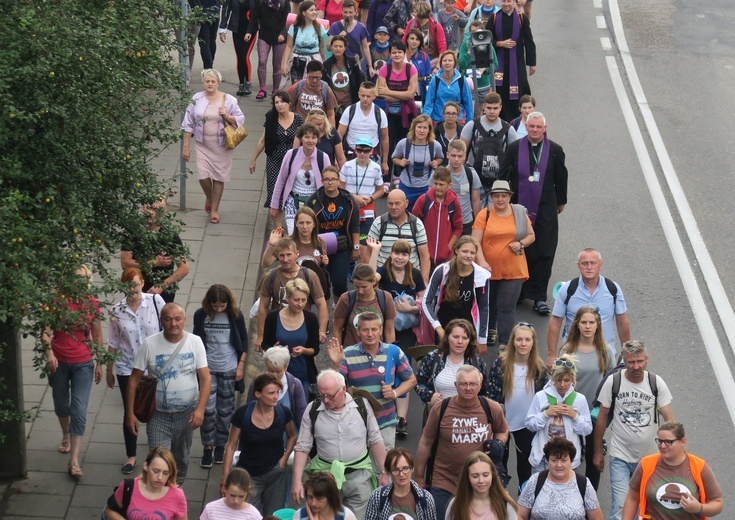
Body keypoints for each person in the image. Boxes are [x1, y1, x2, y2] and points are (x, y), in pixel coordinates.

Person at [126, 303, 212, 484]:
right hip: (158, 417)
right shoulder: (149, 345)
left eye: (177, 319)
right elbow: (134, 380)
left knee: (181, 460)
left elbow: (205, 379)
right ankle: (158, 496)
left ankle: (175, 495)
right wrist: (130, 414)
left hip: (186, 415)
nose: (173, 323)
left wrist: (200, 410)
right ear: (161, 321)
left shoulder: (195, 342)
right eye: (168, 319)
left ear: (184, 320)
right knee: (158, 463)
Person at [414, 365, 509, 520]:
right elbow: (426, 442)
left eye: (473, 384)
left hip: (479, 483)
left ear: (480, 385)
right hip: (444, 481)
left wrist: (497, 442)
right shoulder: (441, 408)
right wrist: (419, 476)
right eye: (463, 384)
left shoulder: (491, 408)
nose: (468, 388)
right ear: (456, 385)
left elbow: (503, 430)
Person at [593, 340, 675, 520]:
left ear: (647, 359)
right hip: (620, 456)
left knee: (649, 508)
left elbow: (669, 420)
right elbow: (601, 419)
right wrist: (597, 451)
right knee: (620, 508)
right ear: (623, 359)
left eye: (640, 361)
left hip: (650, 459)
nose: (636, 366)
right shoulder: (613, 382)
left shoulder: (656, 382)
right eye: (631, 362)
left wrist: (672, 454)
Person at [292, 370, 390, 519]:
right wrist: (297, 481)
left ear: (343, 389)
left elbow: (375, 438)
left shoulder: (361, 406)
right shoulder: (313, 409)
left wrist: (384, 472)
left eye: (330, 395)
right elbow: (302, 446)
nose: (325, 400)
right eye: (321, 395)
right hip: (325, 477)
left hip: (359, 475)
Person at [499, 111, 568, 317]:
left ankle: (539, 296)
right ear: (526, 127)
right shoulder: (514, 149)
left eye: (539, 127)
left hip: (546, 207)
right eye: (532, 126)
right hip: (519, 207)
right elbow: (503, 176)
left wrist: (561, 201)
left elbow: (561, 178)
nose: (535, 130)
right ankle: (519, 292)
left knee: (545, 251)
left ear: (544, 128)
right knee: (519, 249)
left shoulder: (555, 150)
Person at [44, 265, 103, 478]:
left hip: (83, 363)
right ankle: (65, 435)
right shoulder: (57, 303)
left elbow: (97, 337)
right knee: (61, 404)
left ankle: (74, 460)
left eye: (82, 278)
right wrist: (49, 353)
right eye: (74, 278)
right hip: (59, 362)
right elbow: (45, 333)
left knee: (78, 408)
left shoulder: (92, 303)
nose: (78, 282)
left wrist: (100, 363)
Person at [329, 311, 416, 450]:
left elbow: (411, 380)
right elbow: (334, 385)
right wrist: (335, 364)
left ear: (381, 330)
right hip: (356, 423)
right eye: (365, 330)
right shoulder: (347, 354)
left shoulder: (393, 352)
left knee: (383, 469)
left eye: (374, 329)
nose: (370, 334)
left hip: (385, 423)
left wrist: (394, 393)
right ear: (358, 331)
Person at [107, 267, 166, 474]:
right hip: (128, 367)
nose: (132, 288)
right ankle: (131, 455)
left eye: (135, 283)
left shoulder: (156, 302)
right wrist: (108, 368)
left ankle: (157, 453)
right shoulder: (117, 310)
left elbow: (168, 328)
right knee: (130, 410)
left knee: (156, 408)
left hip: (154, 366)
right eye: (128, 285)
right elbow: (113, 341)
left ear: (142, 282)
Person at [368, 238, 426, 434]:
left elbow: (424, 301)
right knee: (382, 370)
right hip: (384, 330)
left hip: (408, 332)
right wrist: (374, 251)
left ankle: (401, 418)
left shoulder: (415, 274)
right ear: (391, 254)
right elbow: (370, 280)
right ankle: (382, 412)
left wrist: (411, 309)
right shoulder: (384, 271)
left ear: (409, 257)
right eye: (396, 253)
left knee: (404, 371)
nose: (400, 258)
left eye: (404, 254)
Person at [222, 373, 297, 516]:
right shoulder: (243, 413)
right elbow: (231, 446)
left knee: (274, 516)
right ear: (258, 394)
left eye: (277, 392)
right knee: (248, 515)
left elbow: (292, 436)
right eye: (271, 393)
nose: (276, 396)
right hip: (249, 474)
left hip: (275, 473)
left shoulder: (282, 412)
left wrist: (284, 460)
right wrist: (225, 477)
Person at [472, 180, 534, 351]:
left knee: (506, 307)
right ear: (491, 197)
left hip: (513, 270)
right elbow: (475, 241)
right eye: (497, 196)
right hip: (487, 270)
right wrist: (482, 262)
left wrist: (521, 244)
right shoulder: (484, 214)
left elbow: (531, 235)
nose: (500, 199)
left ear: (509, 197)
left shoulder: (519, 213)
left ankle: (504, 344)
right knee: (488, 304)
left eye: (504, 196)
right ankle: (490, 330)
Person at [558, 306, 615, 489]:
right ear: (577, 324)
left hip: (594, 415)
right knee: (566, 458)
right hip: (570, 411)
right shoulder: (568, 350)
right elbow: (558, 380)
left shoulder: (606, 350)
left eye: (592, 322)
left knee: (593, 458)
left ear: (598, 325)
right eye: (584, 322)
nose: (588, 326)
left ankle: (589, 499)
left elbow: (612, 378)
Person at [193, 284, 249, 468]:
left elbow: (243, 340)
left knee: (225, 412)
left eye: (222, 306)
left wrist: (240, 367)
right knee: (207, 410)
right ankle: (207, 447)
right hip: (207, 369)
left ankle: (220, 446)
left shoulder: (235, 315)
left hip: (229, 369)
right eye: (215, 306)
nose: (218, 309)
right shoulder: (201, 315)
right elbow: (196, 340)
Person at [486, 323, 547, 491]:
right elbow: (490, 394)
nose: (523, 343)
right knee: (498, 465)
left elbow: (544, 399)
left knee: (525, 468)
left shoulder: (539, 369)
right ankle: (500, 504)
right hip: (502, 424)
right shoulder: (501, 364)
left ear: (533, 343)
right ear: (513, 341)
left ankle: (524, 507)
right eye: (519, 339)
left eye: (527, 340)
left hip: (527, 425)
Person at [621, 421, 723, 520]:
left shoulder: (699, 466)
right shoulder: (646, 464)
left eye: (668, 442)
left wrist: (699, 508)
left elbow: (717, 503)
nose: (663, 446)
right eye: (660, 441)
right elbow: (632, 498)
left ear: (683, 442)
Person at [181, 69, 245, 225]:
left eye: (213, 81)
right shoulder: (196, 98)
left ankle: (214, 209)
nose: (210, 84)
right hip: (202, 144)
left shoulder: (228, 100)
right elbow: (187, 124)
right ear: (203, 83)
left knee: (218, 177)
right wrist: (186, 147)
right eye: (207, 81)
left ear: (218, 83)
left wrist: (226, 116)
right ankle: (209, 196)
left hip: (222, 146)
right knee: (203, 177)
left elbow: (240, 119)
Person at [549, 248, 630, 366]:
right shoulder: (567, 289)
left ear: (600, 265)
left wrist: (627, 353)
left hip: (605, 356)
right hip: (572, 357)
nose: (589, 267)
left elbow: (622, 321)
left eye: (593, 263)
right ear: (578, 265)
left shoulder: (613, 289)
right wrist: (551, 355)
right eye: (584, 263)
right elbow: (555, 322)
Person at [255, 237, 329, 351]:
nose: (285, 259)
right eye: (282, 255)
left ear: (296, 254)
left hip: (303, 330)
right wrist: (261, 335)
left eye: (289, 255)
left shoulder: (310, 275)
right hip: (278, 330)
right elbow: (263, 306)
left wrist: (322, 330)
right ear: (277, 256)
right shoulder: (271, 276)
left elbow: (321, 304)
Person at [422, 236, 491, 354]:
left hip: (468, 331)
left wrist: (482, 339)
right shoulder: (442, 271)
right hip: (444, 327)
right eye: (465, 251)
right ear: (456, 250)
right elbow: (426, 301)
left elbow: (484, 308)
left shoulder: (482, 276)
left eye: (472, 253)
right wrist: (438, 328)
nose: (468, 255)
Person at [525, 354, 592, 473]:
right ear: (552, 379)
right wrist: (545, 414)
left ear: (572, 379)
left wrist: (575, 416)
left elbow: (587, 430)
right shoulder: (540, 397)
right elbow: (529, 424)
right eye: (558, 380)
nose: (562, 385)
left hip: (569, 461)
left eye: (566, 380)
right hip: (543, 460)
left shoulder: (579, 399)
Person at [305, 166, 361, 301]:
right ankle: (324, 312)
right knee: (322, 282)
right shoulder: (314, 200)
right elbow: (305, 220)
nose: (330, 182)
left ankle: (338, 310)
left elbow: (355, 224)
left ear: (339, 181)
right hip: (320, 247)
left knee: (340, 283)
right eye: (327, 179)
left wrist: (356, 247)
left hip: (342, 247)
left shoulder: (348, 200)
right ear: (322, 181)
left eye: (333, 179)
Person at [121, 199, 190, 304]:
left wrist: (162, 286)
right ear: (143, 209)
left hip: (162, 294)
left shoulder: (170, 235)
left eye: (156, 210)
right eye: (148, 208)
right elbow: (125, 263)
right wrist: (154, 263)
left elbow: (184, 268)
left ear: (164, 213)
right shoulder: (133, 233)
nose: (151, 212)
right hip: (135, 290)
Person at [517, 438, 603, 520]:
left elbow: (596, 517)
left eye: (564, 460)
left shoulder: (584, 484)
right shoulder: (535, 481)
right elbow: (520, 515)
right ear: (548, 460)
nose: (559, 465)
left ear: (571, 461)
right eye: (554, 460)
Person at [262, 278, 321, 399]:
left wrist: (303, 350)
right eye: (296, 300)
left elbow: (315, 349)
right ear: (287, 298)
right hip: (277, 376)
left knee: (301, 411)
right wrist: (273, 350)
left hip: (303, 375)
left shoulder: (311, 319)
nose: (300, 304)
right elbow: (265, 344)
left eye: (304, 300)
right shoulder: (273, 317)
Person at [415, 319, 489, 411]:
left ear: (470, 341)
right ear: (447, 337)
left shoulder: (477, 361)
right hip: (440, 413)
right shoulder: (432, 358)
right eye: (455, 337)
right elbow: (417, 382)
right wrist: (430, 395)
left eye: (465, 338)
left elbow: (486, 389)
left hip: (470, 414)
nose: (460, 341)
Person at [270, 124, 331, 234]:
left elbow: (329, 183)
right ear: (301, 138)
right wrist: (274, 206)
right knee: (293, 234)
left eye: (313, 137)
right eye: (307, 137)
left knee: (310, 235)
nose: (310, 140)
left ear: (317, 139)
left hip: (314, 202)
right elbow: (280, 181)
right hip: (293, 201)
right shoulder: (291, 155)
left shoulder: (323, 157)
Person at [460, 92, 518, 206]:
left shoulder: (508, 130)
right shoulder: (472, 126)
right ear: (484, 107)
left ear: (500, 108)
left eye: (495, 108)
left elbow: (515, 157)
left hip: (499, 181)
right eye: (489, 108)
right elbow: (461, 151)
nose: (492, 111)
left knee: (495, 216)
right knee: (477, 216)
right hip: (475, 179)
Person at [251, 91, 304, 210]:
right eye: (277, 102)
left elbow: (303, 140)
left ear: (289, 103)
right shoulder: (271, 118)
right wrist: (253, 160)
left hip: (292, 160)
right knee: (274, 190)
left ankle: (293, 219)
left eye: (282, 102)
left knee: (292, 189)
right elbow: (262, 141)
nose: (280, 105)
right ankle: (277, 225)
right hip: (274, 160)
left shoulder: (298, 119)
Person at [104, 447, 187, 520]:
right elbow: (110, 510)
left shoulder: (177, 495)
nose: (160, 477)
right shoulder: (129, 487)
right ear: (146, 466)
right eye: (156, 471)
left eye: (165, 473)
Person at [368, 189, 432, 284]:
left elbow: (424, 256)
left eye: (397, 203)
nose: (393, 207)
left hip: (410, 279)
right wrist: (368, 281)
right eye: (390, 204)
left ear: (406, 203)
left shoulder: (417, 224)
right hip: (383, 279)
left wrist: (424, 282)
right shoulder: (378, 223)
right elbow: (368, 254)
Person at [487, 0, 536, 123]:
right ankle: (501, 122)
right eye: (503, 1)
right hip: (500, 65)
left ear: (514, 2)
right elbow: (486, 41)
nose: (506, 4)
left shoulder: (521, 18)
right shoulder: (494, 18)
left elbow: (528, 41)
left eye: (509, 1)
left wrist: (532, 63)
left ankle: (519, 121)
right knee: (501, 93)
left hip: (517, 64)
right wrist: (499, 43)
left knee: (520, 92)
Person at [339, 136, 386, 262]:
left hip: (367, 210)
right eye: (359, 150)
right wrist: (354, 197)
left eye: (366, 150)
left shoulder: (376, 167)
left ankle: (361, 275)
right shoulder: (347, 166)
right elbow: (340, 188)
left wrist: (370, 198)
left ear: (371, 151)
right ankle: (349, 267)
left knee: (364, 245)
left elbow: (381, 190)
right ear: (355, 150)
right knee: (349, 241)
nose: (362, 153)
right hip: (349, 207)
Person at [411, 167, 464, 268]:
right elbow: (413, 224)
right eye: (435, 183)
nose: (438, 187)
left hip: (446, 259)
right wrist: (420, 246)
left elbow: (458, 228)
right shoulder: (423, 200)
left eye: (441, 184)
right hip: (424, 257)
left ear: (450, 185)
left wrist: (448, 247)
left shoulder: (454, 202)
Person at [365, 447, 438, 520]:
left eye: (405, 468)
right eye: (396, 470)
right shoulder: (377, 497)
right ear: (389, 472)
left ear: (412, 468)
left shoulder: (426, 499)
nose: (401, 474)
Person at [333, 266, 397, 347]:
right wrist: (338, 353)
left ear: (374, 281)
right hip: (351, 354)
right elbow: (337, 329)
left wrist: (390, 354)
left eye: (364, 287)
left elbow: (389, 330)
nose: (360, 291)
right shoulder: (346, 299)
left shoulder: (385, 298)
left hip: (378, 353)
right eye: (357, 286)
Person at [246, 346, 308, 429]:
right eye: (270, 370)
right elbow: (249, 411)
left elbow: (301, 415)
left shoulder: (295, 385)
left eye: (278, 371)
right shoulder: (256, 384)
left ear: (286, 367)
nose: (274, 375)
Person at [445, 451, 519, 520]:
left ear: (492, 475)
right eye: (475, 476)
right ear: (467, 477)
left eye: (485, 475)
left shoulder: (505, 505)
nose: (481, 480)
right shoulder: (456, 504)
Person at [392, 114, 444, 210]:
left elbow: (440, 158)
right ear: (414, 128)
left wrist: (436, 162)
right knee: (404, 213)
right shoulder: (404, 143)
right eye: (419, 127)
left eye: (425, 128)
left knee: (425, 214)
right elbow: (394, 158)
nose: (421, 130)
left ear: (429, 130)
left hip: (426, 186)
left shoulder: (435, 145)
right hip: (407, 186)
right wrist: (400, 162)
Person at [377, 41, 419, 157]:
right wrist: (403, 95)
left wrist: (388, 92)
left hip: (407, 113)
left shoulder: (411, 69)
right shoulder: (384, 69)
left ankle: (402, 173)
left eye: (399, 52)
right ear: (390, 55)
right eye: (394, 52)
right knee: (388, 146)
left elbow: (411, 95)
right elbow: (381, 95)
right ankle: (387, 171)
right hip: (388, 114)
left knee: (405, 146)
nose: (397, 55)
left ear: (404, 54)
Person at [337, 82, 389, 172]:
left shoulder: (380, 113)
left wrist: (385, 162)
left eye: (368, 96)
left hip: (372, 157)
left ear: (374, 96)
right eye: (363, 95)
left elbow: (385, 138)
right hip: (351, 155)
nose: (365, 99)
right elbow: (339, 136)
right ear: (358, 95)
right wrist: (337, 158)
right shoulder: (349, 111)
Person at [261, 207, 329, 270]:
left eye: (308, 223)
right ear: (296, 223)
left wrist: (325, 262)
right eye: (301, 223)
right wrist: (271, 245)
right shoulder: (287, 242)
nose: (305, 226)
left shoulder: (320, 242)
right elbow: (265, 264)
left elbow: (321, 266)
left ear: (314, 224)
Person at [248, 0, 290, 100]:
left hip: (280, 38)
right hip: (264, 36)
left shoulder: (284, 3)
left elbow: (288, 21)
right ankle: (262, 89)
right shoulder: (261, 2)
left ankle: (276, 90)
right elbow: (254, 18)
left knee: (276, 65)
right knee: (262, 61)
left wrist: (283, 34)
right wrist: (249, 32)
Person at [282, 1, 328, 84]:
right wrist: (285, 64)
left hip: (314, 63)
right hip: (297, 62)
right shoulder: (294, 27)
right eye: (311, 10)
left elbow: (322, 48)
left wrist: (327, 63)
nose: (314, 12)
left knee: (313, 88)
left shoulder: (319, 28)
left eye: (315, 10)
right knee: (297, 88)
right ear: (303, 13)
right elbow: (289, 46)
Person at [423, 51, 474, 124]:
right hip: (438, 120)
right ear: (441, 63)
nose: (447, 63)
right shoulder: (435, 80)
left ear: (454, 63)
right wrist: (426, 122)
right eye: (444, 60)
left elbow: (468, 103)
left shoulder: (462, 80)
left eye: (450, 60)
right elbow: (429, 103)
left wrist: (469, 122)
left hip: (457, 121)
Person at [322, 35, 365, 120]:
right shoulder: (326, 64)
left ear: (345, 48)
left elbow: (359, 81)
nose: (338, 49)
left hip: (350, 103)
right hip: (333, 106)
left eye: (340, 46)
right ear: (331, 47)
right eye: (335, 46)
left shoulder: (352, 62)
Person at [443, 140, 481, 236]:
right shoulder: (440, 174)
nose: (456, 159)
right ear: (447, 155)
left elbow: (476, 201)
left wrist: (478, 225)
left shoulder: (471, 173)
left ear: (464, 156)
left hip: (466, 222)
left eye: (459, 156)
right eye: (453, 156)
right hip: (446, 222)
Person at [220, 0, 256, 96]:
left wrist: (250, 31)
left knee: (245, 56)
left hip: (250, 30)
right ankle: (241, 83)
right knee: (239, 57)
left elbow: (256, 14)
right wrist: (222, 29)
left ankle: (248, 82)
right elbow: (226, 10)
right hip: (237, 29)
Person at [458, 20, 498, 103]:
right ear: (469, 32)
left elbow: (495, 65)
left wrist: (485, 69)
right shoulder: (465, 45)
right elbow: (461, 64)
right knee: (470, 109)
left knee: (480, 109)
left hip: (483, 84)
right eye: (473, 32)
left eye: (477, 32)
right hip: (469, 83)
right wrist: (468, 54)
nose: (475, 34)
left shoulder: (488, 45)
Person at [288, 61, 339, 126]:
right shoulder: (298, 86)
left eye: (317, 78)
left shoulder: (326, 89)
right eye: (312, 77)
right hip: (300, 127)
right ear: (307, 74)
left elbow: (331, 114)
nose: (314, 80)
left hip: (318, 128)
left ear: (321, 75)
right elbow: (289, 108)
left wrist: (332, 133)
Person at [295, 472, 359, 520]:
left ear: (330, 497)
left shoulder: (346, 516)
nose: (313, 503)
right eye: (310, 497)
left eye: (319, 498)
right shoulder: (299, 516)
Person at [327, 1, 372, 69]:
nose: (348, 15)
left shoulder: (361, 27)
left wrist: (370, 66)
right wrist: (338, 37)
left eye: (350, 12)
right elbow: (328, 47)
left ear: (355, 12)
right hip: (338, 61)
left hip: (354, 61)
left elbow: (365, 47)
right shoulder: (335, 26)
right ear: (342, 12)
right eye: (345, 12)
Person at [404, 28, 433, 103]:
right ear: (407, 40)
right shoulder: (399, 54)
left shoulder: (424, 56)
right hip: (402, 93)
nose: (414, 41)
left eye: (417, 39)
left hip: (419, 93)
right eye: (412, 38)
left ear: (420, 42)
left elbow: (428, 77)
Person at [434, 102, 465, 166]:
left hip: (457, 167)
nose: (450, 116)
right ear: (443, 114)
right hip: (440, 168)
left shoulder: (463, 131)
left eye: (453, 114)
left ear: (458, 115)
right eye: (448, 113)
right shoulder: (435, 130)